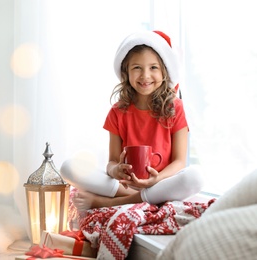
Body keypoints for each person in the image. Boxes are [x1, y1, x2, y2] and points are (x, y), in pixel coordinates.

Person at [60, 30, 204, 210]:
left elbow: (179, 161)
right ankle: (136, 197)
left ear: (164, 72)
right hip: (125, 185)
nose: (145, 76)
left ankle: (112, 202)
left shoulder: (175, 107)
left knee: (195, 177)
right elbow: (111, 162)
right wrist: (116, 169)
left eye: (153, 67)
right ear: (126, 72)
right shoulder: (117, 112)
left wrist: (156, 179)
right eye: (137, 68)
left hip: (161, 183)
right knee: (68, 167)